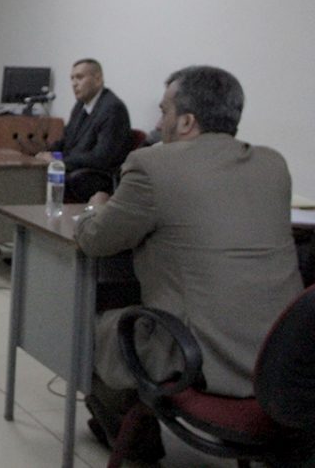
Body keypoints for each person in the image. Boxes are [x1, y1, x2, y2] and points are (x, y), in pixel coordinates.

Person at [74, 66, 303, 461]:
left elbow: (97, 240)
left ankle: (135, 441)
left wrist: (96, 208)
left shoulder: (152, 166)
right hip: (285, 357)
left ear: (186, 121)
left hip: (203, 358)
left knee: (92, 327)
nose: (157, 123)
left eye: (164, 111)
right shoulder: (272, 164)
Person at [37, 58, 132, 202]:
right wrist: (46, 154)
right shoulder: (80, 106)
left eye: (80, 77)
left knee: (44, 182)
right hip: (76, 169)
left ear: (98, 79)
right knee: (34, 175)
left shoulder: (113, 109)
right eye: (72, 78)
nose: (74, 83)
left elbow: (101, 158)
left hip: (97, 178)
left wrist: (59, 160)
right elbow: (66, 141)